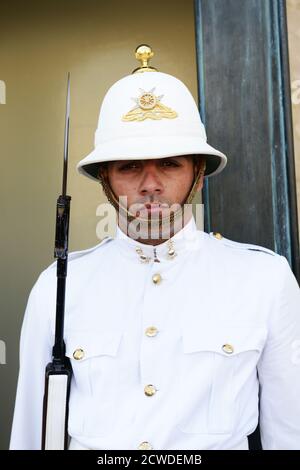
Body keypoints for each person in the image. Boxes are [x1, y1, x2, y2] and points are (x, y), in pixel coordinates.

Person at [10, 45, 300, 450]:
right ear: (106, 180)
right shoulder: (59, 285)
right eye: (130, 166)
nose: (150, 183)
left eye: (170, 163)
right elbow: (32, 432)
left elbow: (290, 433)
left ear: (198, 174)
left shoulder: (264, 279)